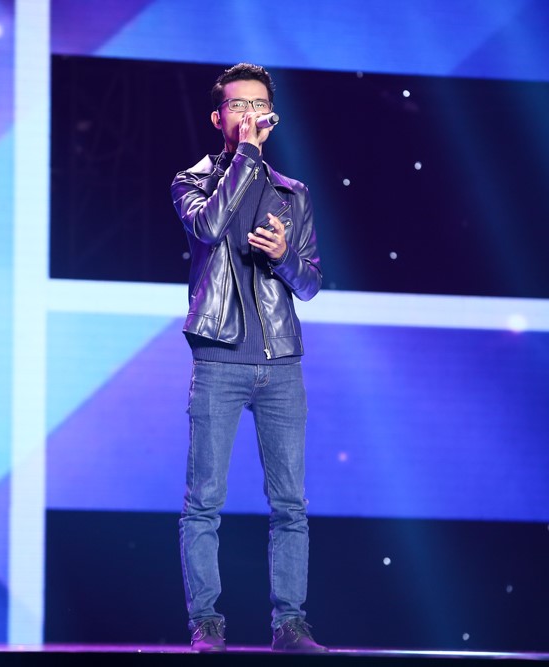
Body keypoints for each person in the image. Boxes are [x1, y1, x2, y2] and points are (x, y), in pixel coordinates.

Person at [170, 63, 326, 653]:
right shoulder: (192, 181)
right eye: (238, 106)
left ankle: (291, 625)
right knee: (204, 501)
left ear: (271, 115)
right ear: (219, 118)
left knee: (290, 505)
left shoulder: (294, 194)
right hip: (219, 359)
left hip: (281, 362)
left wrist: (285, 258)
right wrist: (247, 157)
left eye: (258, 105)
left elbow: (310, 284)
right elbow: (209, 227)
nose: (249, 114)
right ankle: (206, 624)